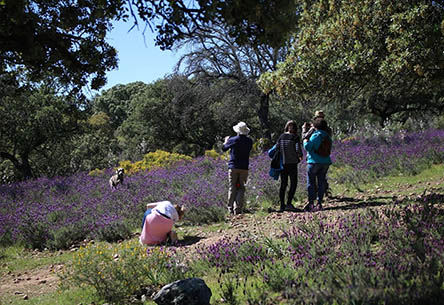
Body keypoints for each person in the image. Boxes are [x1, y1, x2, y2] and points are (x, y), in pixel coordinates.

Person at [222, 121, 253, 215]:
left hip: (233, 166)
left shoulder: (233, 139)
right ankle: (238, 209)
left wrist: (226, 141)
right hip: (244, 167)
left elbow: (224, 148)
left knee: (232, 187)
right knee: (241, 188)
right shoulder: (249, 141)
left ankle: (230, 208)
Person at [272, 120, 303, 212]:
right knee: (293, 183)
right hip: (292, 163)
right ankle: (289, 203)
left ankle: (282, 205)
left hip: (283, 163)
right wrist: (300, 157)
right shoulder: (295, 137)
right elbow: (298, 149)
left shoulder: (281, 137)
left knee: (283, 184)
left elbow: (277, 148)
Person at [303, 118, 332, 212]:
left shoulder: (315, 135)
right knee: (321, 182)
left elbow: (308, 147)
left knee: (311, 183)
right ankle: (319, 202)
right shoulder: (328, 136)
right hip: (325, 162)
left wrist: (305, 139)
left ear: (315, 126)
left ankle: (311, 202)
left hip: (313, 161)